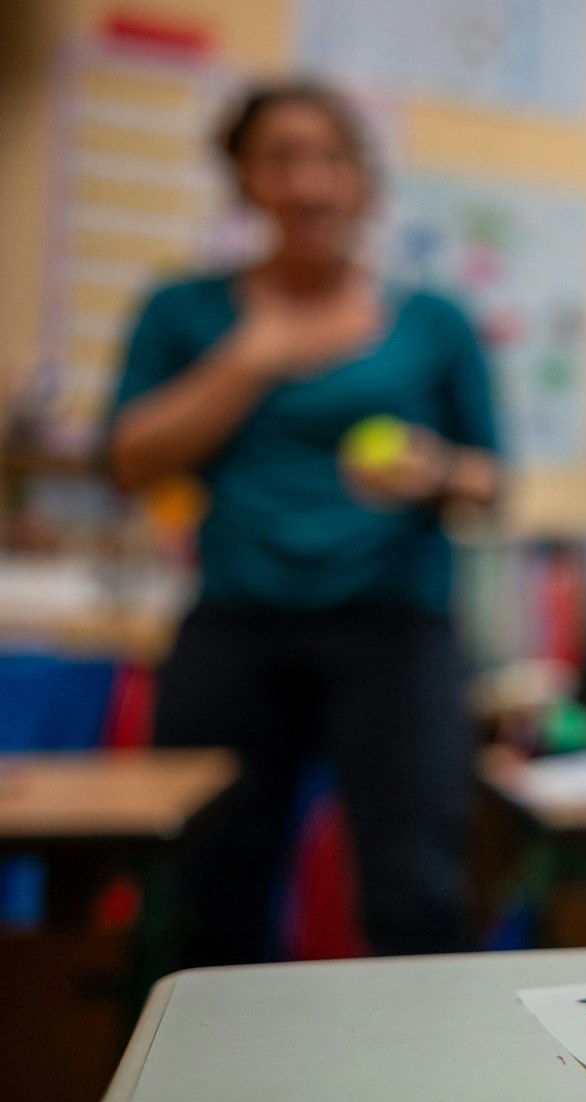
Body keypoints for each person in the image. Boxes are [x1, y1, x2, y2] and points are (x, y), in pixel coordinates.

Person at [104, 82, 502, 964]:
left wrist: (432, 468)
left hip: (395, 631)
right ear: (243, 182)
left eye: (330, 158)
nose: (309, 182)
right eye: (280, 159)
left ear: (362, 182)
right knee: (207, 895)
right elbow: (128, 456)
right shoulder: (187, 311)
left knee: (414, 893)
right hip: (236, 626)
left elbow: (491, 479)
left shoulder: (433, 322)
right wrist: (251, 358)